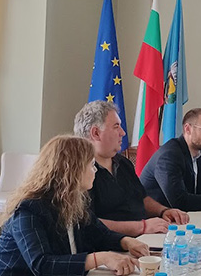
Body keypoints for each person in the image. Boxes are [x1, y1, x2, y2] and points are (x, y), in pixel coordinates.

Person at [0, 135, 148, 276]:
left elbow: (100, 235)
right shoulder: (29, 209)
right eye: (91, 165)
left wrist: (126, 241)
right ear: (73, 170)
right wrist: (100, 258)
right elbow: (42, 264)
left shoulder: (73, 201)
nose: (95, 170)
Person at [74, 101, 189, 237]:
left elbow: (141, 198)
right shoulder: (80, 173)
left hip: (144, 236)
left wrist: (163, 211)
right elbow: (89, 224)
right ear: (96, 133)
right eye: (116, 127)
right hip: (113, 244)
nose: (123, 133)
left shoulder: (123, 163)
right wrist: (142, 227)